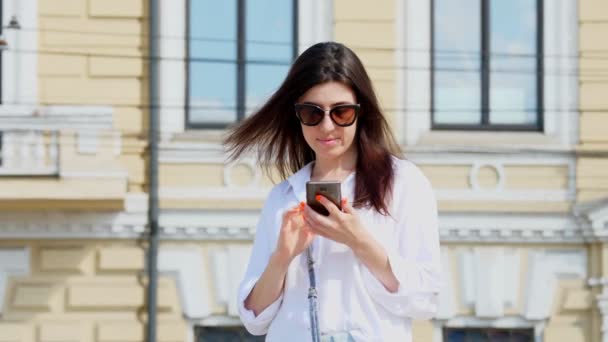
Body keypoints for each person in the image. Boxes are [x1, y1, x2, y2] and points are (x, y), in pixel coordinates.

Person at [224, 42, 440, 342]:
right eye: (312, 113)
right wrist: (283, 257)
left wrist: (359, 241)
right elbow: (255, 318)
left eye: (341, 112)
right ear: (297, 116)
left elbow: (425, 298)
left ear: (361, 112)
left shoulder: (403, 183)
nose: (326, 126)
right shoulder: (283, 196)